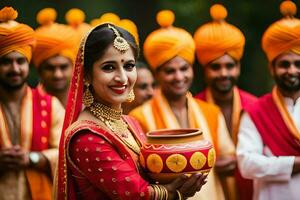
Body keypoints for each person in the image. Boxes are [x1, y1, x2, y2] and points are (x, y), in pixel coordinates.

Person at [55, 23, 207, 200]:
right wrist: (177, 192)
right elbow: (136, 194)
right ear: (87, 75)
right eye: (109, 67)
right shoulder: (86, 137)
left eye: (129, 66)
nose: (122, 78)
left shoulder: (130, 122)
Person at [129, 10, 235, 200]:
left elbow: (229, 158)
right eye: (170, 71)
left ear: (192, 69)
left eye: (184, 68)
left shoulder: (211, 112)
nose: (179, 77)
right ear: (156, 74)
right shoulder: (139, 117)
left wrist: (222, 163)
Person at [236, 1, 300, 200]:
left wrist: (273, 162)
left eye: (298, 63)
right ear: (271, 68)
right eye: (284, 64)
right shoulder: (256, 111)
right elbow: (246, 164)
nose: (292, 71)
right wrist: (295, 164)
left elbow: (258, 163)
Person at [193, 4, 257, 200]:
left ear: (238, 68)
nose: (224, 74)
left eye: (230, 66)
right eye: (216, 67)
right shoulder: (194, 108)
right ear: (204, 69)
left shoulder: (256, 106)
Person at [0, 7, 64, 200]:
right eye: (5, 62)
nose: (15, 69)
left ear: (29, 64)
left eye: (21, 61)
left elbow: (66, 153)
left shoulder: (50, 105)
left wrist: (33, 158)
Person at [33, 8, 80, 107]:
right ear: (39, 70)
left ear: (75, 67)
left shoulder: (88, 105)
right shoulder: (28, 105)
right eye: (50, 68)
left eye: (63, 67)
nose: (57, 75)